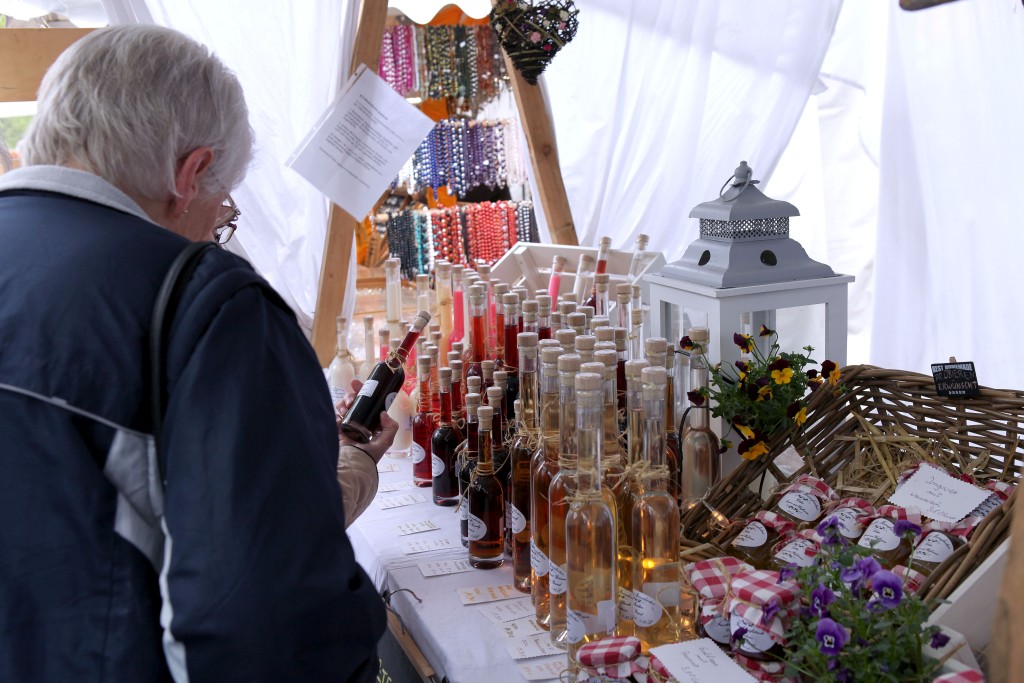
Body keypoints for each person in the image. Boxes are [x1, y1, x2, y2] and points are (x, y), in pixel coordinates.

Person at [0, 25, 386, 682]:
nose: (216, 228)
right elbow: (265, 625)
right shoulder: (205, 303)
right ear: (190, 173)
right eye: (222, 208)